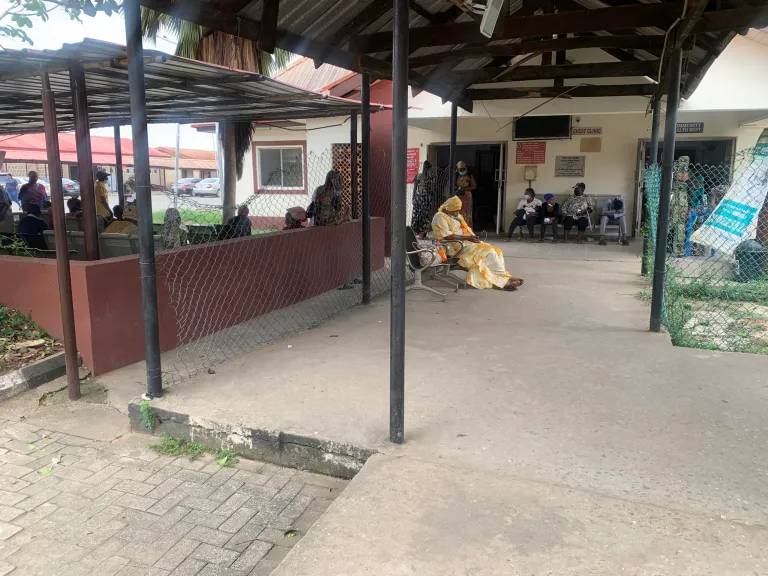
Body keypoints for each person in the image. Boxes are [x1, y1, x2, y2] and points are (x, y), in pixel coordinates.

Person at [431, 195, 523, 291]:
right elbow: (447, 236)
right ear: (447, 208)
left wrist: (472, 238)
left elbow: (466, 230)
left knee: (496, 251)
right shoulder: (439, 216)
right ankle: (504, 281)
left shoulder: (457, 216)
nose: (457, 213)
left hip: (465, 243)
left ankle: (503, 277)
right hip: (453, 247)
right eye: (454, 210)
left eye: (458, 210)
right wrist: (468, 238)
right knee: (489, 253)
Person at [411, 161, 438, 237]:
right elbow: (432, 190)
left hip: (418, 198)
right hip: (426, 199)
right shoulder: (431, 178)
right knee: (424, 216)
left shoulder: (418, 176)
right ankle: (422, 234)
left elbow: (415, 188)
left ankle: (417, 233)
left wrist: (413, 198)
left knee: (417, 215)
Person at [454, 161, 476, 228]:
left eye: (463, 169)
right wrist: (458, 188)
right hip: (458, 196)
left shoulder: (470, 176)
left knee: (467, 212)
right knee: (458, 212)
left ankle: (467, 229)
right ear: (458, 170)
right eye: (460, 170)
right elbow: (452, 186)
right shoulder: (456, 176)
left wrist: (464, 189)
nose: (462, 171)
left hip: (467, 196)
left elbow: (474, 186)